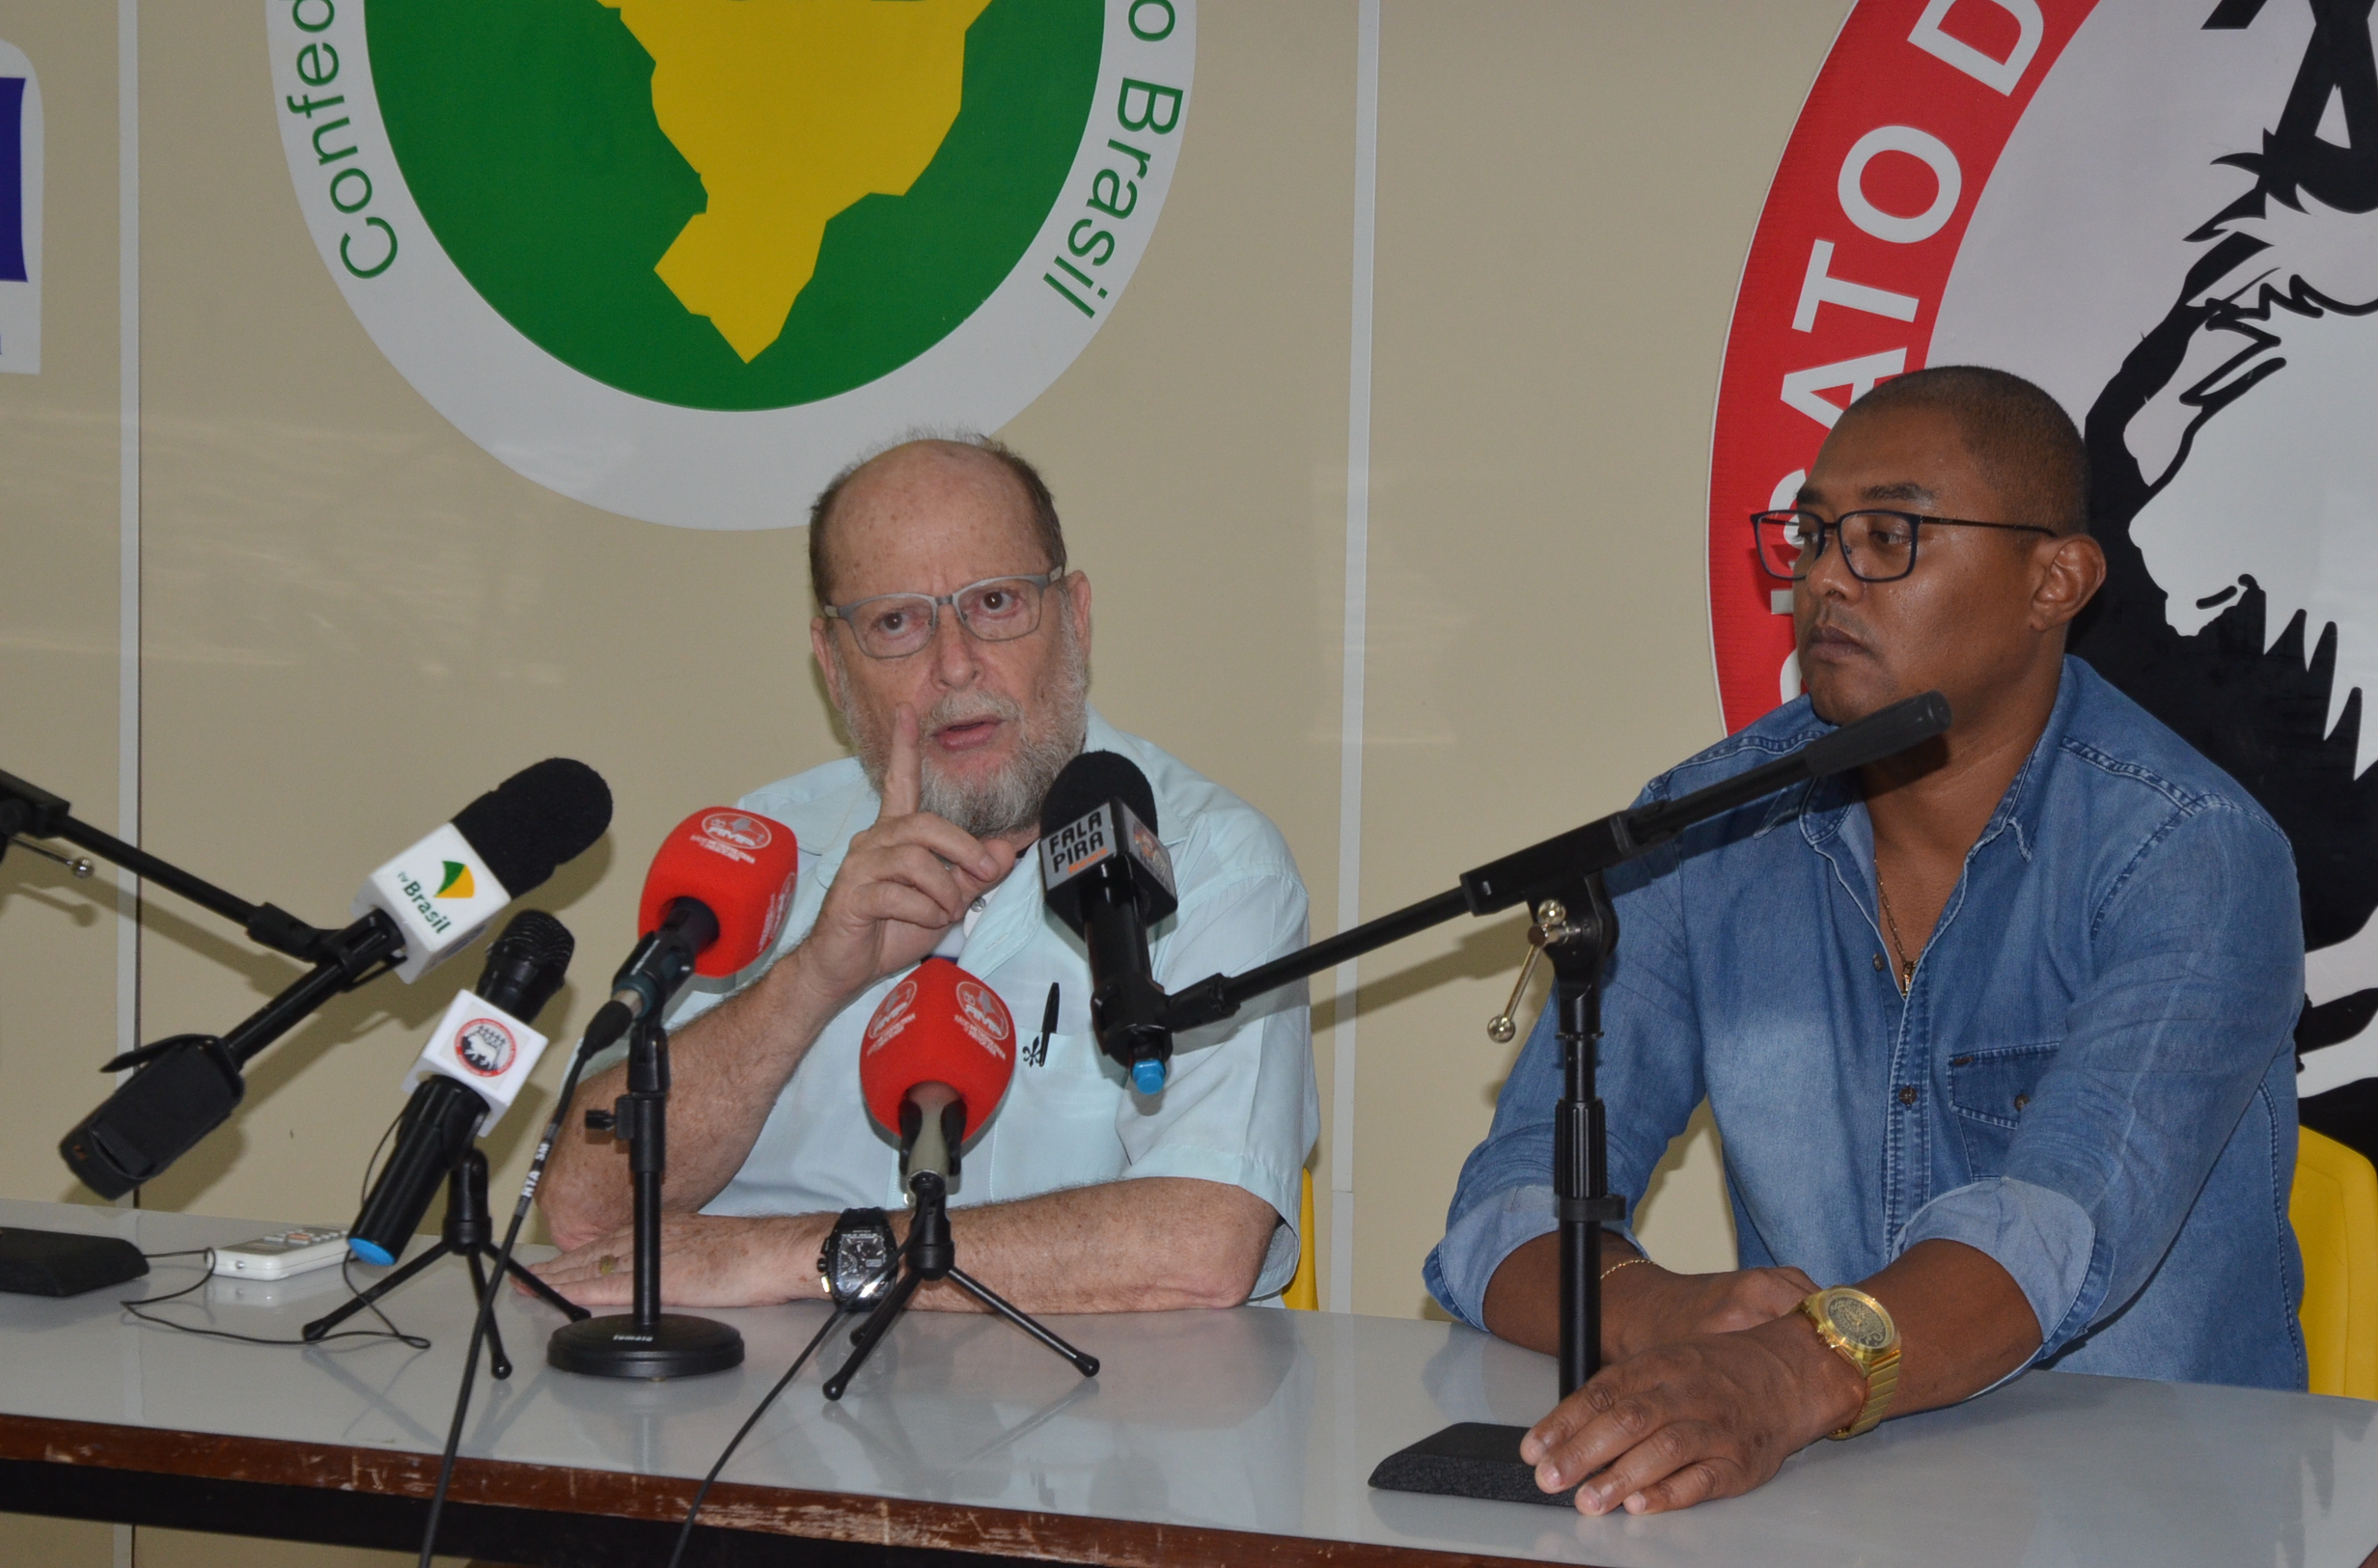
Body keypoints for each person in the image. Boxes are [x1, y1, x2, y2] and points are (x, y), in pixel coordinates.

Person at [1426, 366, 2304, 1515]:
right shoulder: (1704, 830)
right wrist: (1661, 1310)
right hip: (1820, 1508)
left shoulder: (2191, 856)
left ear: (2055, 580)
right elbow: (1504, 1217)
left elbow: (2053, 1233)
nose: (1827, 576)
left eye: (1889, 535)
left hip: (2149, 1517)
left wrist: (1785, 1370)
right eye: (1810, 532)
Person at [535, 436, 1317, 1313]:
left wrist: (800, 1257)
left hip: (1084, 1427)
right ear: (833, 667)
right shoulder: (762, 848)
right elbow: (585, 1208)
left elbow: (1203, 1245)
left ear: (1076, 618)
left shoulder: (1209, 857)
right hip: (749, 1418)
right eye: (897, 622)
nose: (954, 663)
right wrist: (808, 983)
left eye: (994, 602)